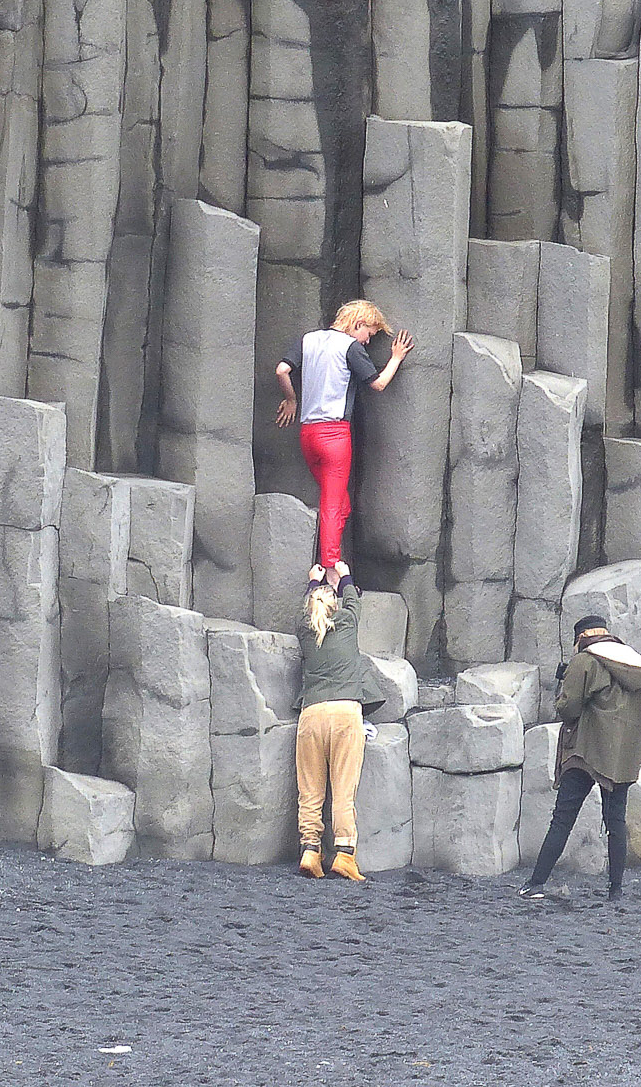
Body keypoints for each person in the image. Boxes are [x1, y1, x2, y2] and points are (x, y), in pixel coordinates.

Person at [520, 615, 641, 902]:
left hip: (585, 753)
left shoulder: (584, 661)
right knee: (615, 823)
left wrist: (564, 682)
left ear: (581, 638)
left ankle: (535, 884)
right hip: (621, 758)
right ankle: (616, 891)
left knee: (562, 819)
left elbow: (567, 709)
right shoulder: (634, 666)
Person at [275, 301, 414, 569]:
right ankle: (330, 572)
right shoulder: (349, 347)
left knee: (340, 505)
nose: (366, 341)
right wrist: (395, 357)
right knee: (332, 505)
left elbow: (282, 370)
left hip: (308, 435)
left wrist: (291, 399)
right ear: (357, 324)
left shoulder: (309, 339)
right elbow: (379, 383)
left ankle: (327, 562)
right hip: (335, 436)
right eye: (369, 334)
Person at [294, 559, 387, 881]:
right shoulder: (347, 620)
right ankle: (344, 855)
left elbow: (304, 611)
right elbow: (353, 601)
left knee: (310, 792)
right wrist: (345, 575)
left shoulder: (304, 629)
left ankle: (310, 850)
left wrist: (312, 582)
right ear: (336, 604)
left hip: (312, 715)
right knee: (343, 791)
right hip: (346, 713)